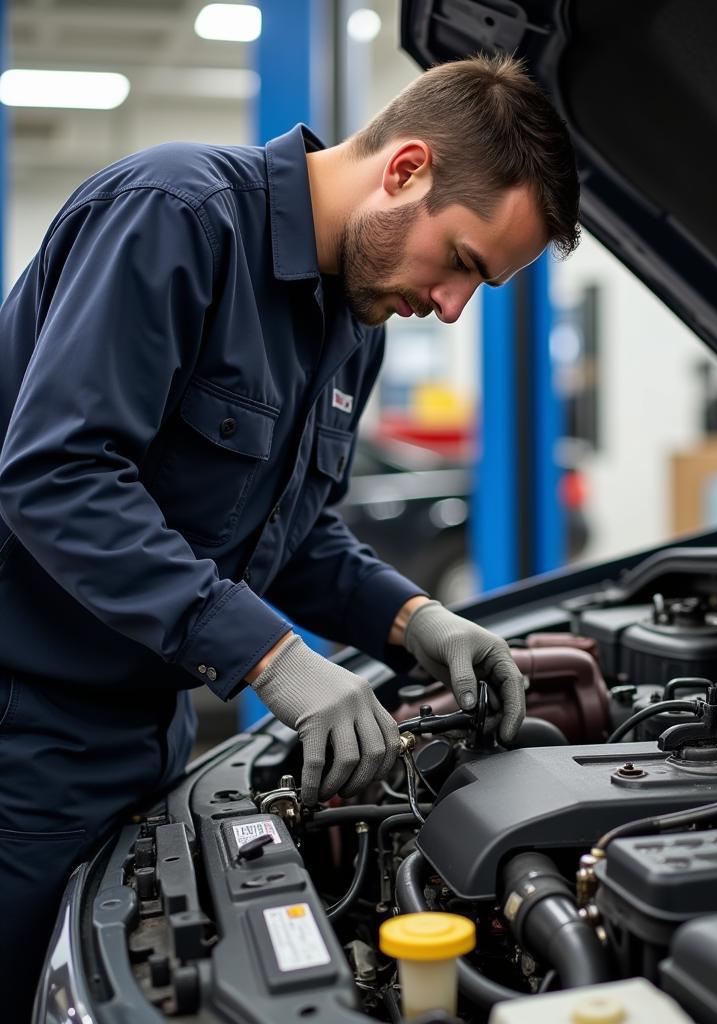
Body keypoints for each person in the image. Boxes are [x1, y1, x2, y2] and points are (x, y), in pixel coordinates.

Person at [0, 53, 580, 1018]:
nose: (449, 306)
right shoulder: (175, 217)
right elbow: (55, 476)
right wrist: (271, 656)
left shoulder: (353, 318)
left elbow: (295, 539)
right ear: (405, 170)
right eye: (464, 263)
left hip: (150, 734)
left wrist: (417, 619)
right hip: (23, 736)